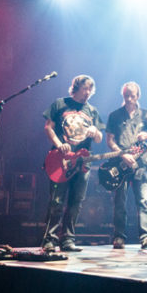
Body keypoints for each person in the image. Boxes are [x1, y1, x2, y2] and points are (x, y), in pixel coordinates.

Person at [42, 75, 104, 253]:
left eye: (90, 89)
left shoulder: (92, 110)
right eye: (85, 88)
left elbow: (100, 138)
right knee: (56, 201)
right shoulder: (60, 104)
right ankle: (50, 240)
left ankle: (67, 239)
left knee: (76, 201)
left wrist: (94, 132)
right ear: (76, 87)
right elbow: (48, 127)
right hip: (61, 160)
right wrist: (59, 144)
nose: (88, 93)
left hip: (82, 162)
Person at [106, 81, 147, 250]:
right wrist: (122, 154)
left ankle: (146, 237)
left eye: (132, 95)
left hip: (140, 164)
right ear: (123, 95)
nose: (129, 99)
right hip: (120, 164)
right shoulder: (114, 115)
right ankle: (119, 237)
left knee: (143, 201)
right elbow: (110, 140)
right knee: (120, 202)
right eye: (126, 95)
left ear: (138, 96)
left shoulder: (145, 114)